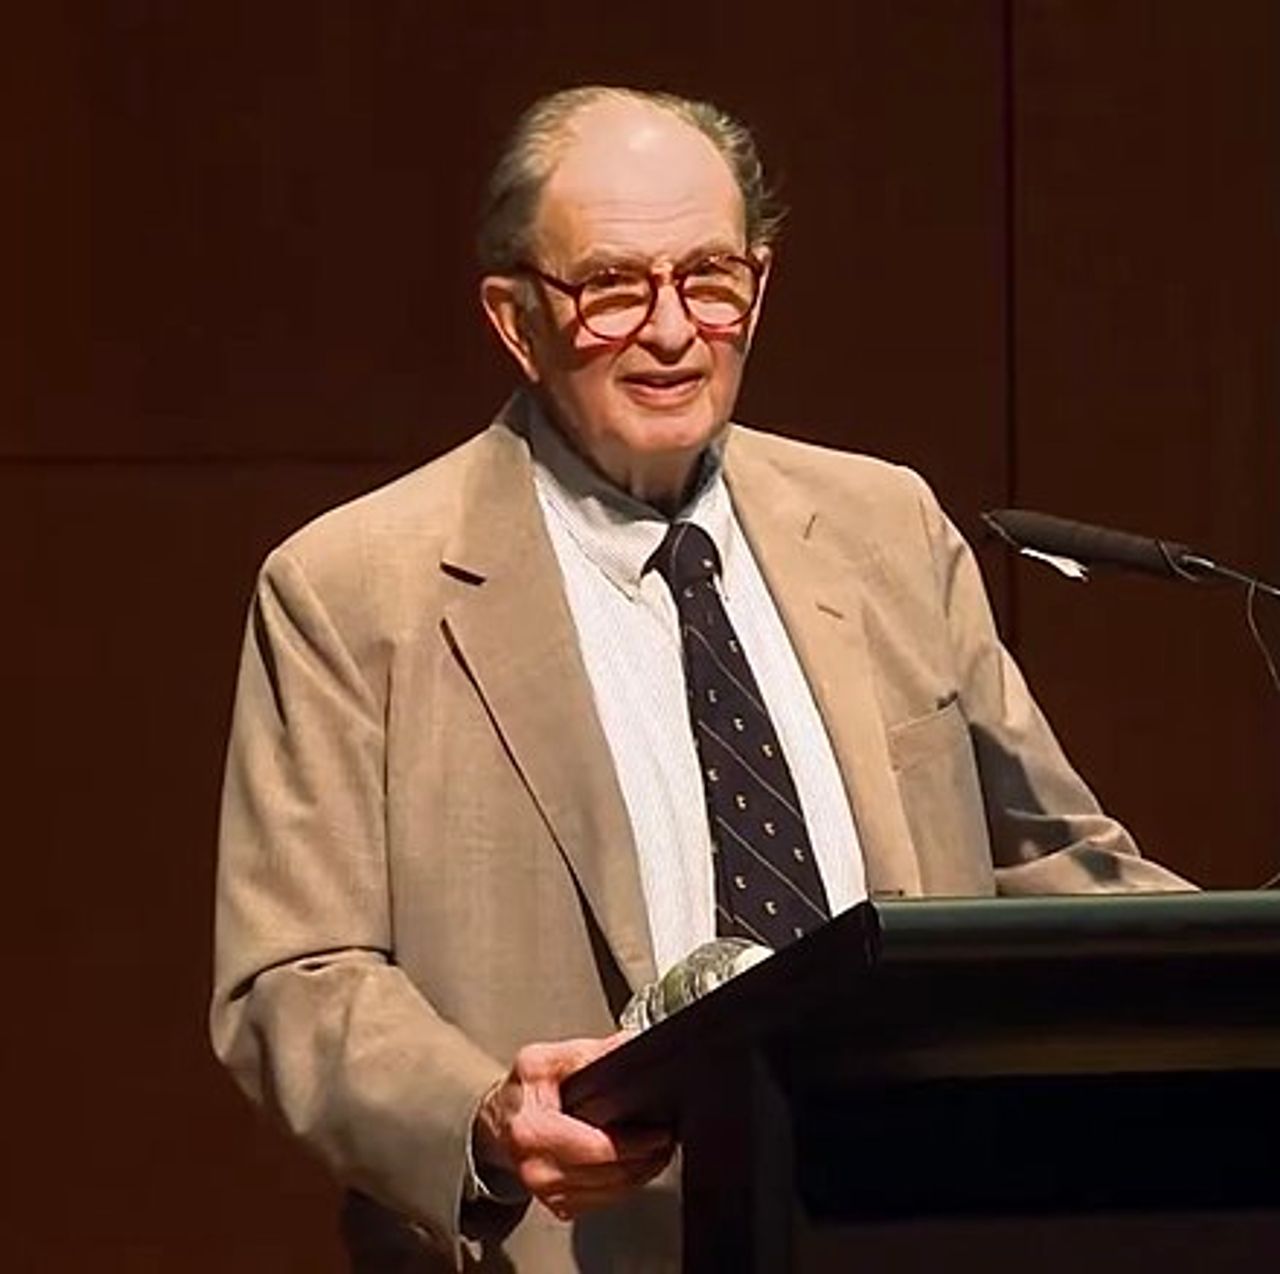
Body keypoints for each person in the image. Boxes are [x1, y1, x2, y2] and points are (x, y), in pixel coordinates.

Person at [211, 85, 1191, 1272]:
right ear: (516, 318)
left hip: (909, 1226)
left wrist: (1224, 981)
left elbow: (1050, 864)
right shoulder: (353, 587)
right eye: (613, 286)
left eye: (709, 278)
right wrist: (481, 1114)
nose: (672, 331)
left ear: (756, 288)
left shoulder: (884, 525)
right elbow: (294, 980)